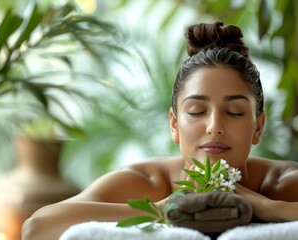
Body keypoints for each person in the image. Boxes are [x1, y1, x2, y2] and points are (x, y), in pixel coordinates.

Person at [22, 22, 298, 240]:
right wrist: (162, 208)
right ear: (175, 125)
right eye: (197, 112)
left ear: (258, 127)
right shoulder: (147, 182)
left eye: (235, 112)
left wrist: (265, 207)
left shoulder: (281, 184)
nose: (215, 127)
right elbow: (37, 227)